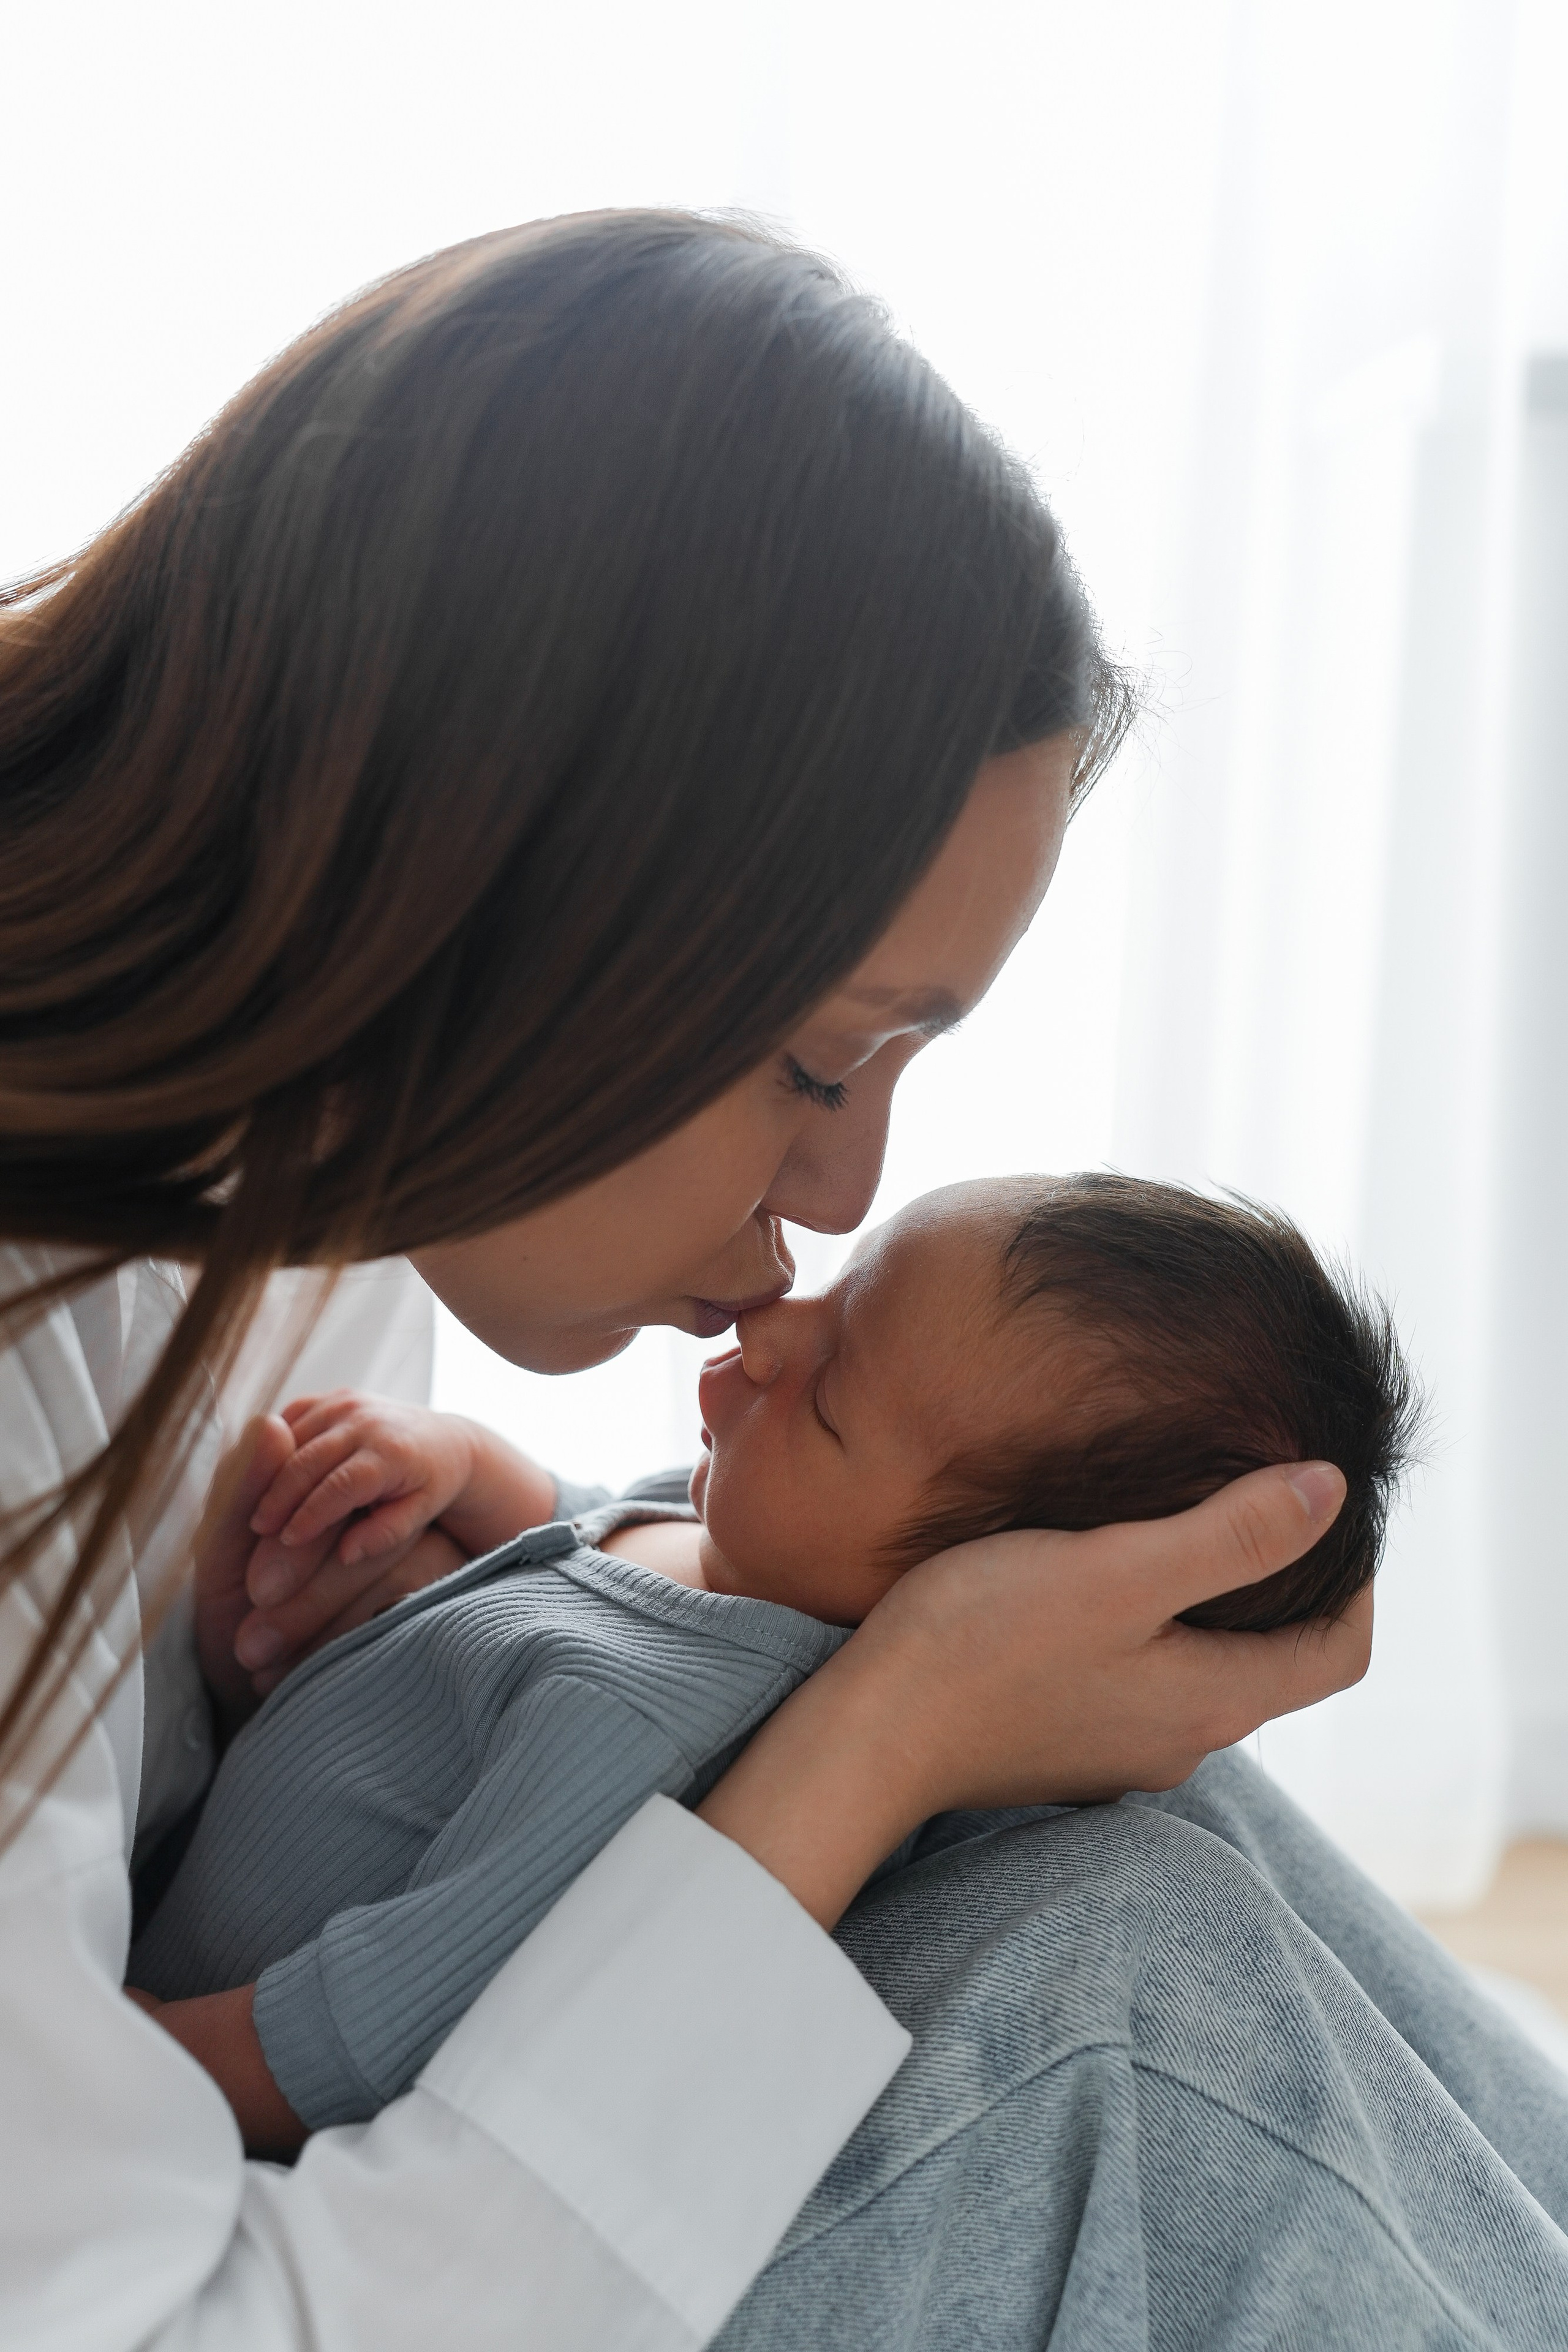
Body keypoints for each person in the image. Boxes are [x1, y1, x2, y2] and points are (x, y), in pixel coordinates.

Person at [0, 211, 1559, 2352]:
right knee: (1133, 1999)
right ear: (490, 872)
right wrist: (896, 1712)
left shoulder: (276, 1186)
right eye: (819, 1059)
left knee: (1147, 1862)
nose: (843, 1189)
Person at [127, 1172, 1422, 2152]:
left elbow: (376, 2024)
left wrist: (108, 2060)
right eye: (841, 1289)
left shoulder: (638, 1731)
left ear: (966, 1597)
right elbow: (597, 1535)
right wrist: (469, 1468)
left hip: (198, 2040)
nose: (769, 1332)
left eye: (833, 1400)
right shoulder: (740, 1544)